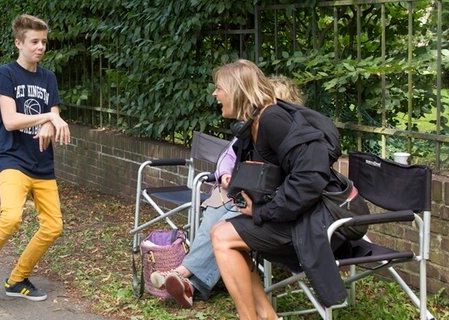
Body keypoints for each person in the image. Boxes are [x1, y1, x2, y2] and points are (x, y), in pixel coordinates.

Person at [149, 75, 304, 308]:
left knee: (225, 224)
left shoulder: (289, 134)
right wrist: (224, 175)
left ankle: (183, 274)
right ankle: (189, 284)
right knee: (216, 213)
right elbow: (227, 157)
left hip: (264, 206)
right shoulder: (250, 128)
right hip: (235, 193)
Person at [210, 59, 347, 320]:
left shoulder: (272, 119)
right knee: (223, 234)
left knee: (223, 237)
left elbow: (311, 175)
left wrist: (264, 210)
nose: (215, 95)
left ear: (236, 90)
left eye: (219, 88)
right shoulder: (253, 124)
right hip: (295, 214)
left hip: (317, 219)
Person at [0, 14, 71, 315]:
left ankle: (17, 278)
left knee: (53, 227)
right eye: (34, 42)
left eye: (44, 42)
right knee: (10, 218)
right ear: (19, 43)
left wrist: (52, 120)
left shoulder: (48, 78)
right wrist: (49, 117)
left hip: (42, 163)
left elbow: (54, 114)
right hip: (12, 159)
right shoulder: (7, 74)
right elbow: (10, 121)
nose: (40, 47)